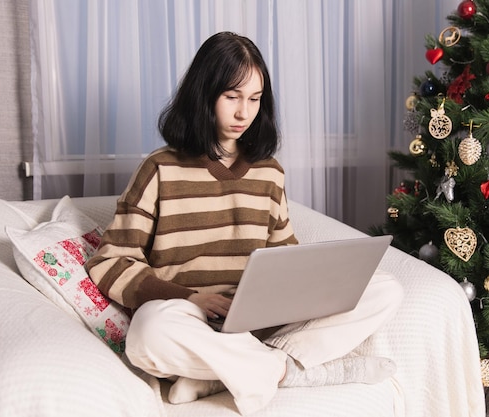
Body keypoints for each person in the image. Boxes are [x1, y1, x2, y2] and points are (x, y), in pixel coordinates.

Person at [86, 31, 403, 415]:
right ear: (204, 95)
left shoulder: (269, 173)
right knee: (146, 335)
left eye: (254, 99)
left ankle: (223, 372)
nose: (243, 113)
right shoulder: (159, 169)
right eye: (232, 97)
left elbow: (284, 256)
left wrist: (297, 288)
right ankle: (285, 370)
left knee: (385, 289)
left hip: (259, 321)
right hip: (190, 317)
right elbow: (109, 261)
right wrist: (190, 298)